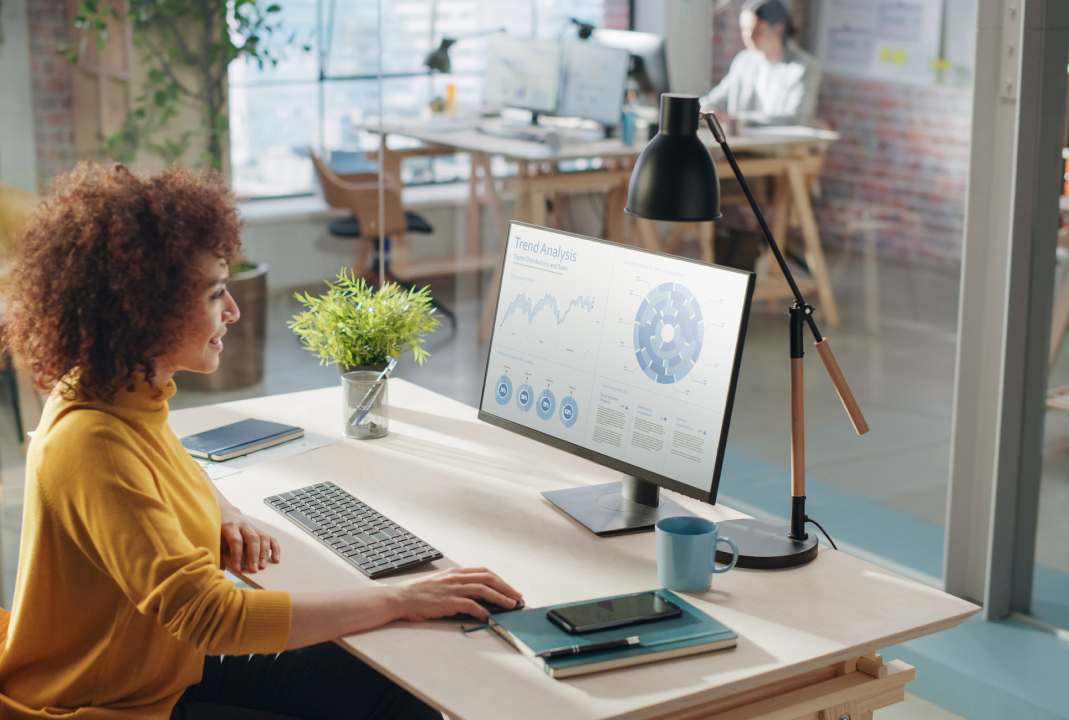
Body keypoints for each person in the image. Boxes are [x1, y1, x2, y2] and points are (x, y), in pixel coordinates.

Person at [0, 162, 523, 720]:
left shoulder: (122, 391)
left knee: (393, 683)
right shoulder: (92, 439)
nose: (234, 311)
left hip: (163, 670)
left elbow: (168, 467)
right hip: (112, 705)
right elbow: (212, 617)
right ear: (142, 312)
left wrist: (222, 511)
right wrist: (403, 597)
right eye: (214, 295)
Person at [701, 0, 821, 126]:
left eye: (756, 31)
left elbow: (796, 119)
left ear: (779, 29)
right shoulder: (744, 61)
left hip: (778, 144)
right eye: (744, 29)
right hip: (739, 144)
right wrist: (699, 110)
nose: (748, 37)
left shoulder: (802, 67)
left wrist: (737, 120)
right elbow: (716, 98)